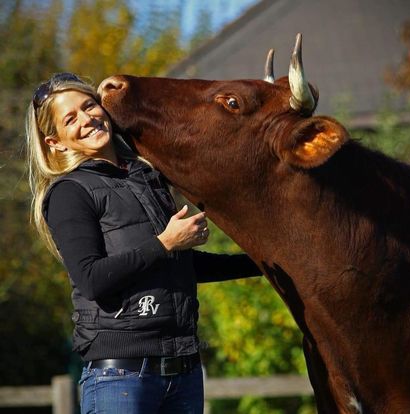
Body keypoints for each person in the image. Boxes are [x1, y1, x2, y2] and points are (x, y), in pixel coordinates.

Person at [26, 72, 261, 414]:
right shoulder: (69, 193)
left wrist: (262, 264)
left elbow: (179, 266)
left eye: (89, 106)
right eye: (70, 118)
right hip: (121, 379)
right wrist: (165, 242)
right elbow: (91, 279)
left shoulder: (146, 177)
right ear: (56, 142)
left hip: (183, 372)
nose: (87, 119)